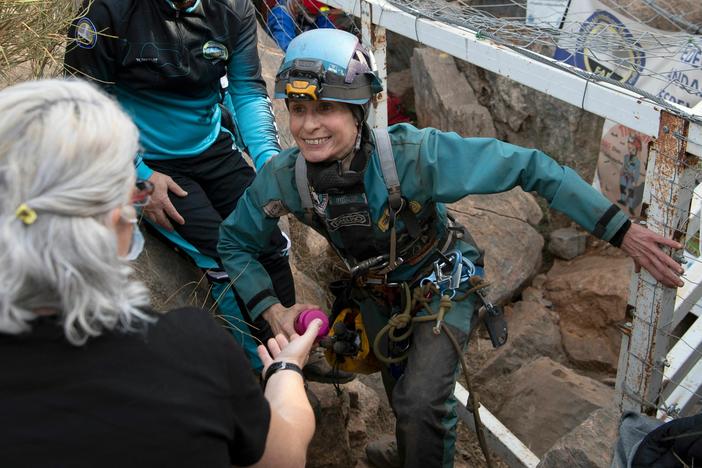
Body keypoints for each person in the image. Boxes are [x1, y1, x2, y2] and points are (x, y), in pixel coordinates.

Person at [217, 29, 686, 468]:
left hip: (443, 283)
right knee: (400, 386)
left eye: (326, 109)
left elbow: (531, 166)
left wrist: (622, 232)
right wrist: (271, 308)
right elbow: (233, 241)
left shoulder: (414, 157)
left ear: (360, 110)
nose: (308, 126)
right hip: (377, 295)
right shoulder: (286, 178)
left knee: (421, 401)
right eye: (298, 110)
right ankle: (409, 450)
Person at [0, 79, 318, 467]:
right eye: (132, 192)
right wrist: (285, 372)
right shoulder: (191, 352)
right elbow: (283, 457)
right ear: (117, 226)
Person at [62, 0, 349, 383]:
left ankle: (294, 344)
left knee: (271, 241)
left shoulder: (235, 8)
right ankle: (261, 368)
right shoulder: (107, 11)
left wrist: (269, 162)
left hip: (211, 145)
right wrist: (135, 175)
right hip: (145, 157)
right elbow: (80, 104)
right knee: (221, 253)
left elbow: (246, 88)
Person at [266, 0, 342, 52]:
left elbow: (331, 39)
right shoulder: (280, 15)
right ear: (298, 2)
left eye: (316, 11)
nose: (314, 15)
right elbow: (286, 49)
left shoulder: (319, 14)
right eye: (309, 11)